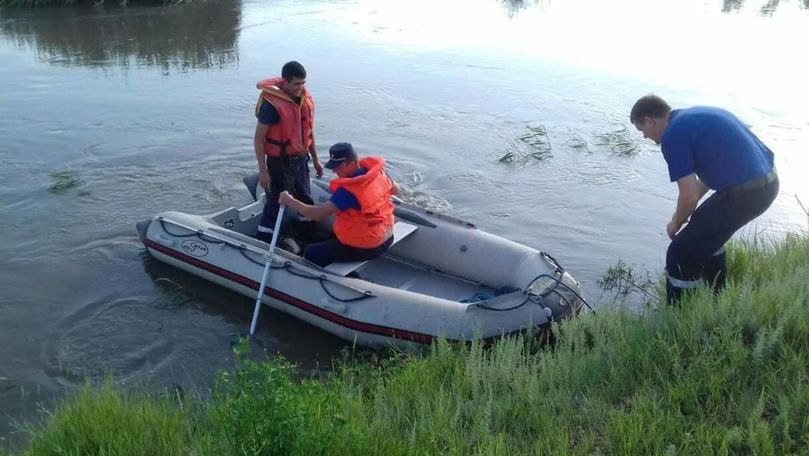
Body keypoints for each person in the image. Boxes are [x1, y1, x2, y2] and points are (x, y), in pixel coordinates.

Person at [630, 94, 778, 303]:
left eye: (641, 129)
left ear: (649, 121)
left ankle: (680, 316)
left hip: (748, 192)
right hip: (765, 184)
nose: (644, 136)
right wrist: (684, 217)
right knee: (703, 231)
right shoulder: (691, 117)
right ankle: (716, 298)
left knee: (680, 252)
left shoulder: (673, 135)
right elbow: (708, 178)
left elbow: (689, 195)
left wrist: (676, 222)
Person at [278, 142, 401, 267]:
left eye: (339, 166)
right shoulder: (378, 174)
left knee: (310, 253)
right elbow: (396, 189)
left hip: (367, 247)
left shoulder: (348, 191)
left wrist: (290, 201)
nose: (334, 171)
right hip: (387, 236)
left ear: (352, 163)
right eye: (333, 166)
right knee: (333, 236)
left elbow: (318, 215)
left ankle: (349, 278)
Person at [253, 61, 324, 247]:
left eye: (303, 83)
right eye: (296, 84)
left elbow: (307, 132)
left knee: (305, 199)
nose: (300, 88)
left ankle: (306, 237)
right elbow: (258, 139)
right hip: (279, 163)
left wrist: (316, 160)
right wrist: (263, 171)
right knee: (277, 203)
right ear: (284, 81)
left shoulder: (302, 100)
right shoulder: (271, 107)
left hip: (300, 160)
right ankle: (264, 241)